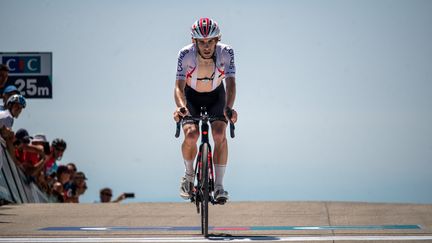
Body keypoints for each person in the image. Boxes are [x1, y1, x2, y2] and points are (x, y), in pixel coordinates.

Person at [173, 18, 238, 202]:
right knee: (191, 135)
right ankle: (188, 175)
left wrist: (229, 108)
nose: (207, 46)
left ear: (217, 40)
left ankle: (218, 187)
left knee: (219, 134)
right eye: (202, 42)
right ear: (195, 41)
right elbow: (178, 86)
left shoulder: (226, 52)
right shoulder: (185, 54)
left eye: (210, 41)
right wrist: (181, 107)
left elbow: (231, 83)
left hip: (216, 95)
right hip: (190, 96)